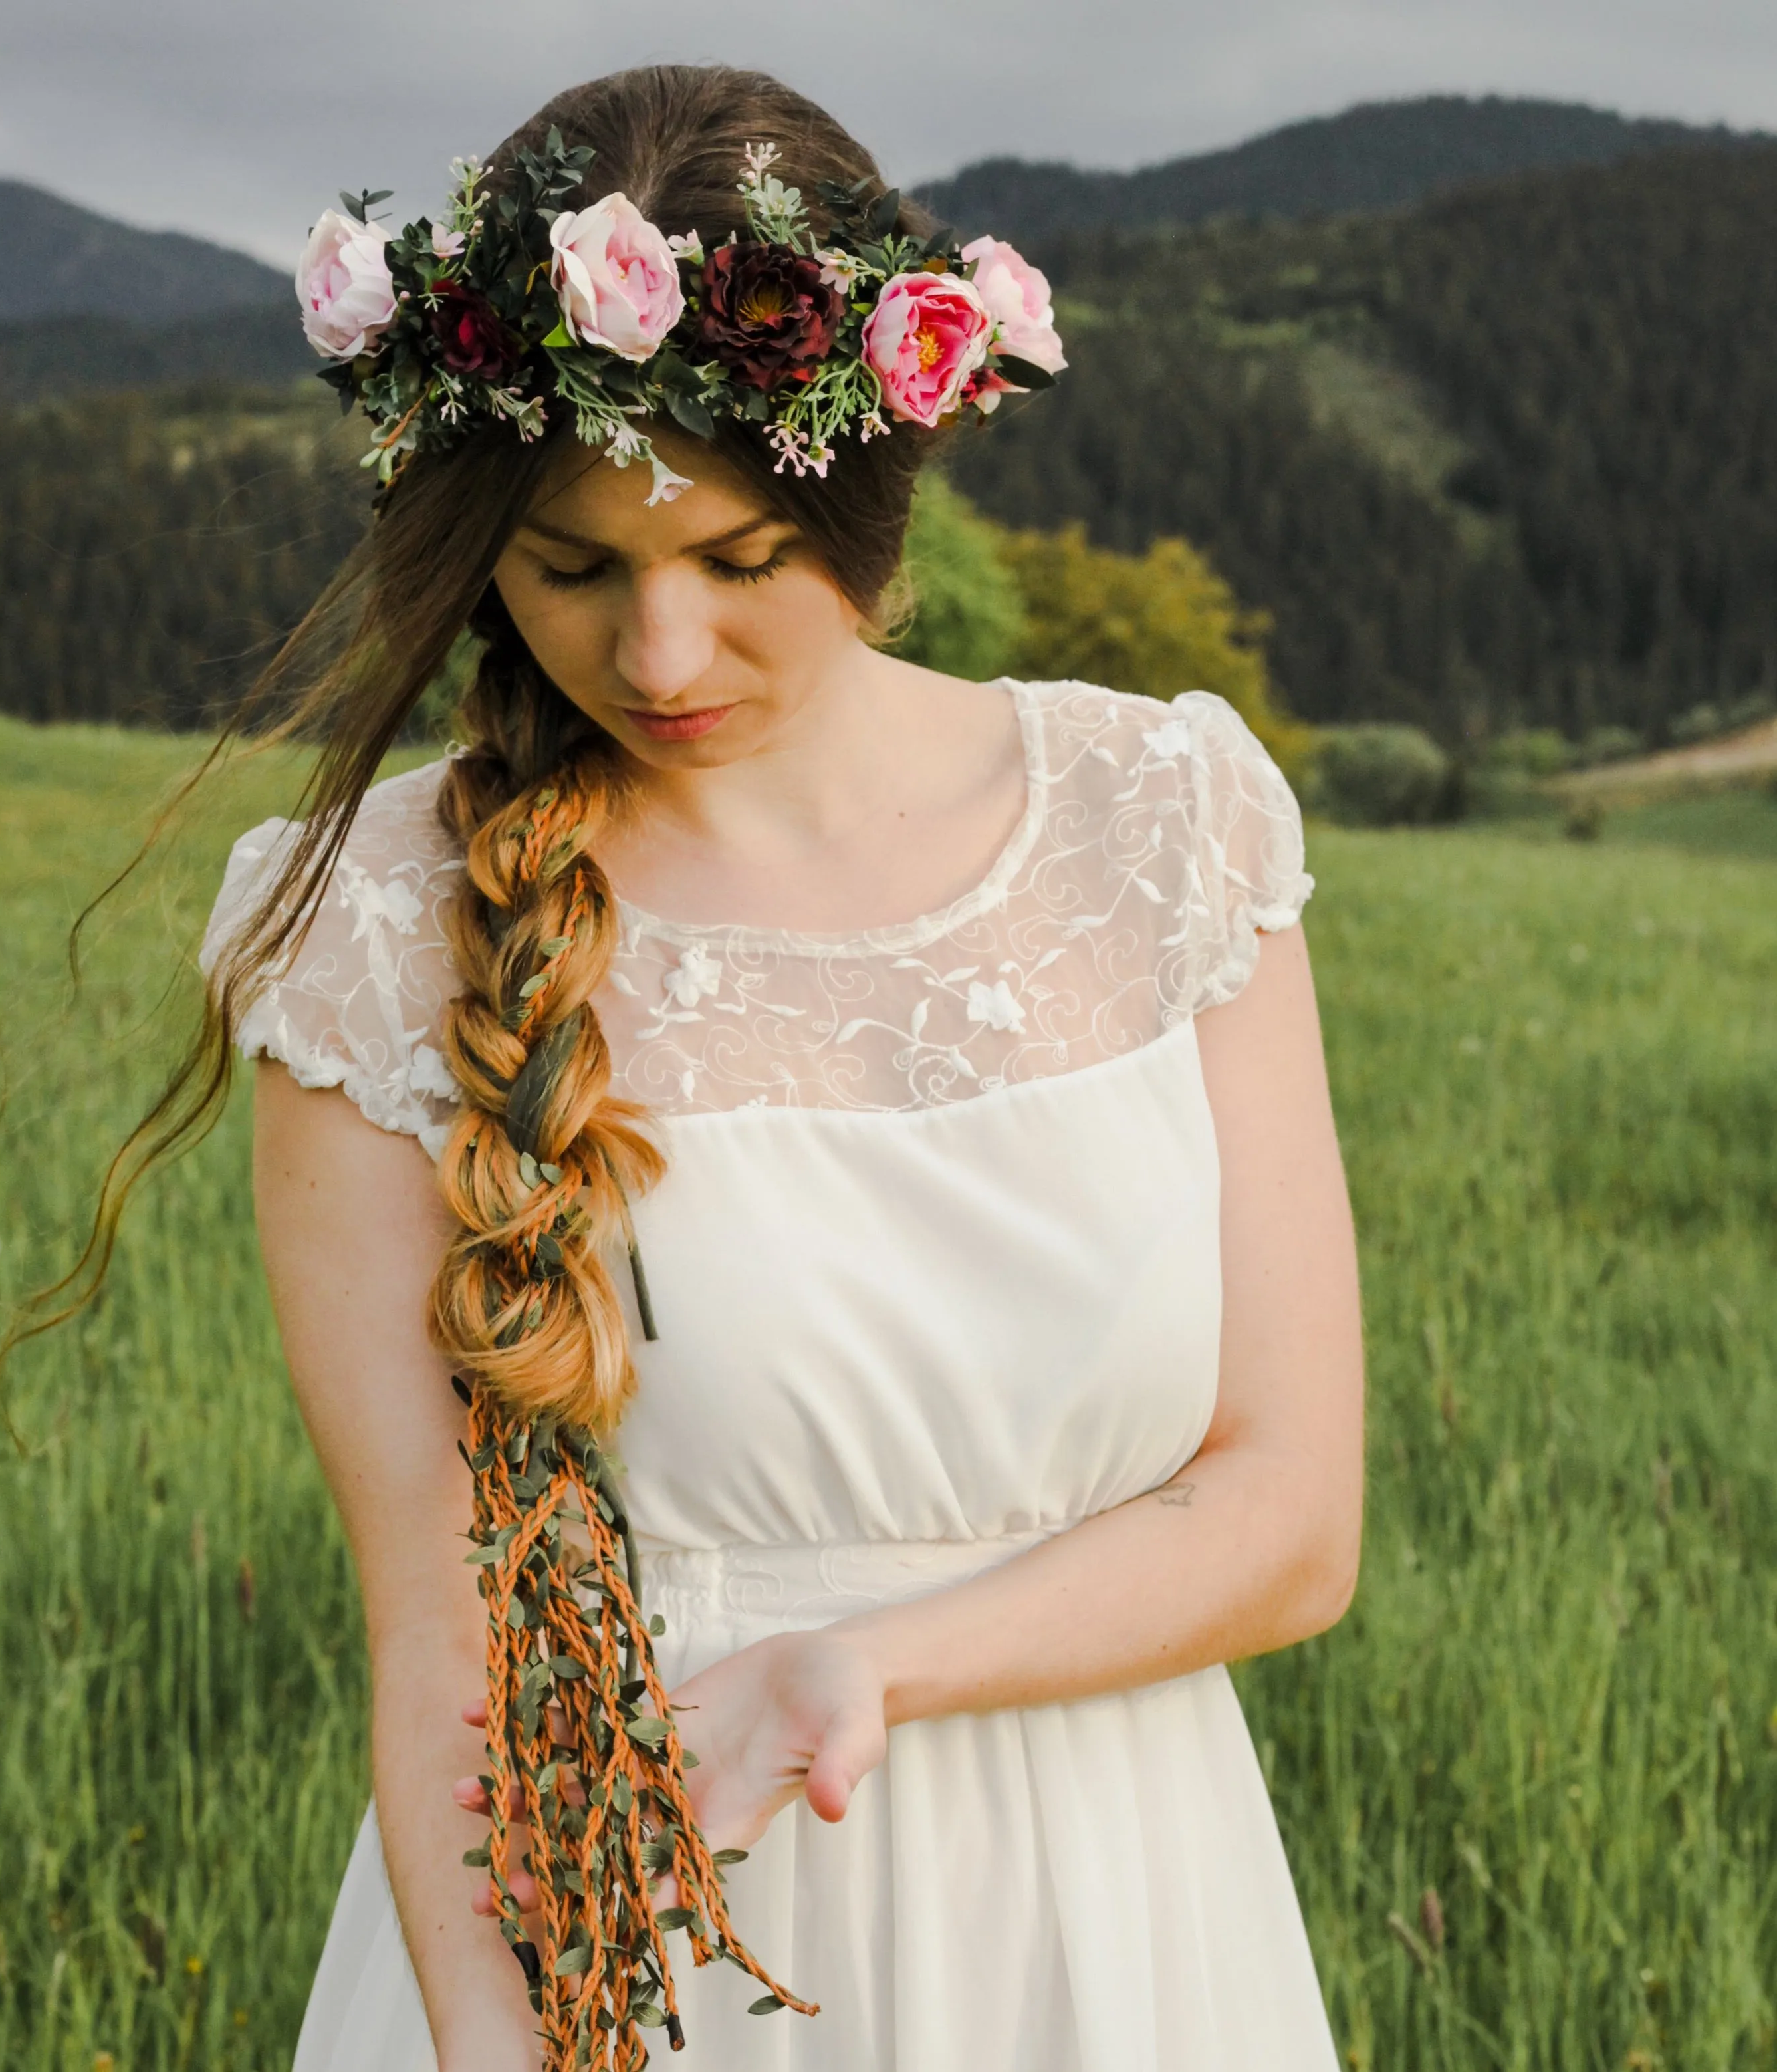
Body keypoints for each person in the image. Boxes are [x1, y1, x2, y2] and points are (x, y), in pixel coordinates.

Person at [195, 62, 1362, 2072]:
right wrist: (501, 2045)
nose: (657, 657)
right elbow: (442, 1637)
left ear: (872, 503)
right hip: (637, 1944)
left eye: (739, 564)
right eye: (571, 567)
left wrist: (871, 1667)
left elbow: (1290, 1516)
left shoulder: (1162, 821)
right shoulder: (372, 934)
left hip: (1117, 1915)